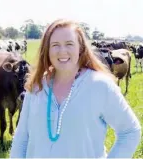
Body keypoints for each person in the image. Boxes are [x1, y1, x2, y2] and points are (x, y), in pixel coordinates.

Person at [9, 19, 141, 158]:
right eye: (55, 45)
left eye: (69, 44)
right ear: (46, 50)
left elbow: (130, 131)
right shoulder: (36, 86)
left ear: (81, 48)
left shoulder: (100, 86)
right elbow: (21, 139)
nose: (62, 51)